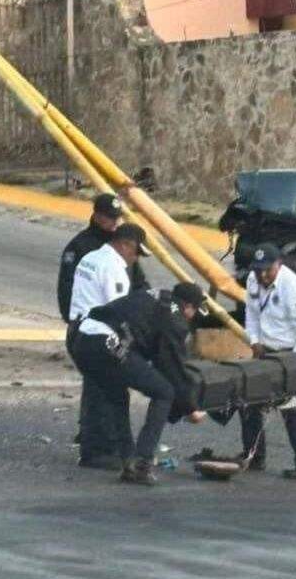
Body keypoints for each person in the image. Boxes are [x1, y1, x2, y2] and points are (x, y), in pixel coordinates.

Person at [69, 283, 207, 486]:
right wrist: (190, 407)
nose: (191, 317)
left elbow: (154, 357)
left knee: (117, 394)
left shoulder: (156, 296)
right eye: (194, 312)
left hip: (81, 340)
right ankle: (142, 463)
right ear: (188, 306)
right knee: (164, 392)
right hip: (107, 341)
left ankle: (128, 461)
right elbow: (173, 369)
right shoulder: (175, 318)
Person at [67, 223, 151, 470]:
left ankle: (91, 445)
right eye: (136, 252)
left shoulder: (91, 257)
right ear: (125, 244)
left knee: (94, 390)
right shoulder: (114, 268)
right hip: (98, 336)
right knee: (109, 391)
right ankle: (100, 451)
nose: (135, 259)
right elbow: (118, 310)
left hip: (77, 330)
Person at [241, 243, 296, 480]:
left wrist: (291, 369)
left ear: (279, 264)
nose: (263, 275)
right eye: (258, 270)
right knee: (250, 402)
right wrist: (255, 341)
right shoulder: (253, 280)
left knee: (290, 405)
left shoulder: (294, 288)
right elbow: (252, 313)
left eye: (268, 270)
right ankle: (254, 455)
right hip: (267, 348)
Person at [57, 194, 146, 324]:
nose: (115, 221)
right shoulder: (80, 246)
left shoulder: (122, 244)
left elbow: (138, 280)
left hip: (122, 315)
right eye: (111, 217)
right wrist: (71, 318)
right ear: (98, 216)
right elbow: (67, 284)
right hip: (90, 320)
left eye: (117, 217)